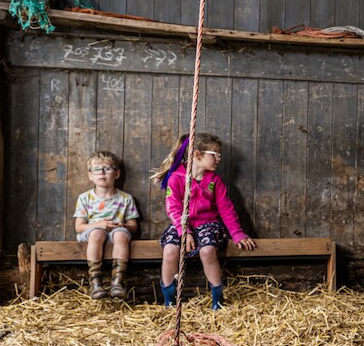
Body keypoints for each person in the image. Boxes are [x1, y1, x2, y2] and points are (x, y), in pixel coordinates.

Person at [150, 133, 256, 310]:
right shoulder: (176, 178)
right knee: (170, 251)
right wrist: (185, 231)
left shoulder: (214, 181)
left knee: (207, 251)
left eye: (219, 155)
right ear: (197, 155)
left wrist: (237, 233)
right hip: (182, 225)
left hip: (208, 224)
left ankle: (218, 299)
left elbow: (226, 209)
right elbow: (173, 208)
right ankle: (169, 300)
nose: (218, 159)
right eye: (215, 155)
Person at [74, 151, 140, 299]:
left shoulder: (126, 199)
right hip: (92, 234)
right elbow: (79, 227)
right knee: (97, 232)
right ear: (90, 175)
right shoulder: (85, 198)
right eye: (97, 169)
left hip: (116, 234)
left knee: (121, 234)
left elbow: (133, 226)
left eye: (107, 169)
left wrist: (122, 225)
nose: (102, 173)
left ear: (116, 174)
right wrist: (97, 224)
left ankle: (117, 282)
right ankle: (95, 282)